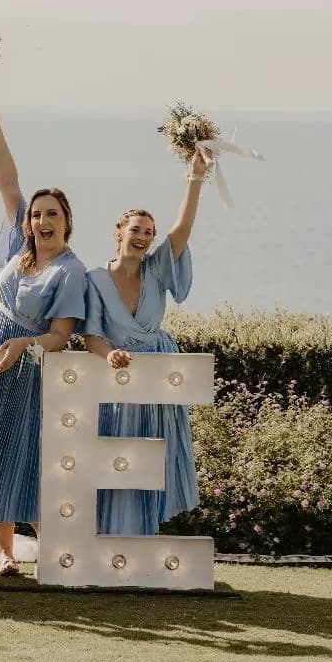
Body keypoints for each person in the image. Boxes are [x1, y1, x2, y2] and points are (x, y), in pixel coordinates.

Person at [0, 97, 87, 576]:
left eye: (51, 214)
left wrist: (22, 345)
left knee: (17, 454)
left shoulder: (70, 271)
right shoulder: (21, 247)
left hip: (24, 367)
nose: (42, 222)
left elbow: (61, 335)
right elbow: (7, 182)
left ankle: (57, 548)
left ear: (66, 220)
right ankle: (5, 553)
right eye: (37, 215)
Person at [83, 148, 211, 534]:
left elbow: (182, 228)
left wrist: (195, 178)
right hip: (116, 374)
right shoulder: (94, 279)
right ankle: (109, 536)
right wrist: (110, 355)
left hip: (156, 369)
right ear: (118, 233)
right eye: (136, 230)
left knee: (155, 453)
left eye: (148, 233)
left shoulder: (156, 270)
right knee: (118, 455)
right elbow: (91, 336)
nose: (142, 237)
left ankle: (145, 536)